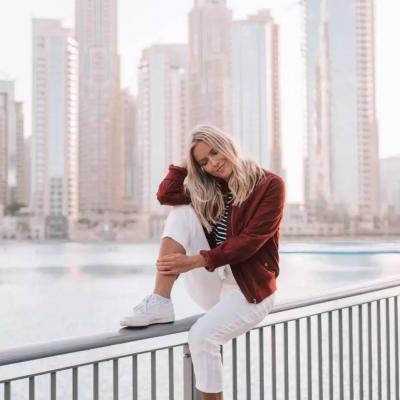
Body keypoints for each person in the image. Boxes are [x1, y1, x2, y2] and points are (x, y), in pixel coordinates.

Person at [120, 125, 285, 400]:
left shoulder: (269, 184)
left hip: (249, 290)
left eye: (216, 152)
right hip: (214, 280)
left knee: (202, 337)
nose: (214, 163)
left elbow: (250, 241)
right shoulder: (211, 187)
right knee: (181, 212)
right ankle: (160, 301)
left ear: (227, 145)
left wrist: (196, 260)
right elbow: (166, 195)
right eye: (204, 162)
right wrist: (188, 164)